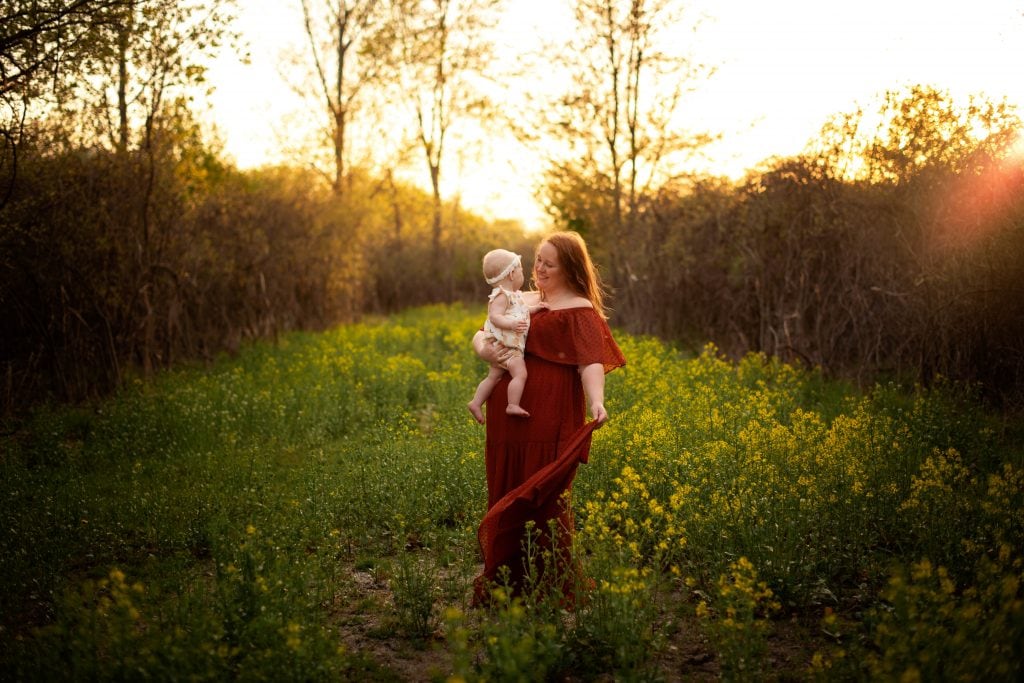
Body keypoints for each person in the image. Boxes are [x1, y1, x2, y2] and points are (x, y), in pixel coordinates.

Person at [471, 231, 626, 605]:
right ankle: (506, 581)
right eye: (537, 259)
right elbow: (481, 335)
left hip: (551, 412)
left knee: (545, 493)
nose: (539, 268)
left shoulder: (580, 309)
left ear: (569, 268)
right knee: (508, 484)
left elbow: (589, 362)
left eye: (548, 263)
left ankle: (550, 584)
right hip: (508, 416)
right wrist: (484, 350)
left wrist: (597, 402)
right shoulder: (517, 299)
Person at [467, 249, 548, 424]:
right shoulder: (501, 295)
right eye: (521, 272)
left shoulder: (515, 297)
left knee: (493, 377)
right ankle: (512, 404)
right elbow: (494, 317)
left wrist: (536, 308)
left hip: (504, 346)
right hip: (508, 347)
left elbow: (521, 311)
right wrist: (511, 324)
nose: (522, 275)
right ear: (512, 274)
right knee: (520, 374)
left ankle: (476, 402)